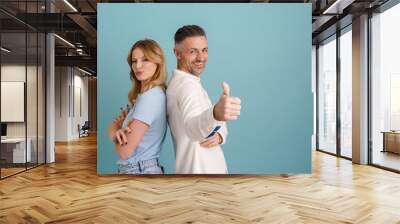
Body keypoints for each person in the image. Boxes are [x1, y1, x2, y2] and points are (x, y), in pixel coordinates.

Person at [167, 25, 242, 174]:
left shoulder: (188, 83)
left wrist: (220, 134)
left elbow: (207, 125)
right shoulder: (187, 86)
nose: (201, 57)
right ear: (177, 53)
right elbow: (193, 128)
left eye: (204, 50)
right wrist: (215, 114)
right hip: (201, 179)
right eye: (193, 51)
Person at [108, 39, 167, 174]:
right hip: (141, 170)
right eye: (134, 61)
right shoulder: (147, 96)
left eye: (145, 59)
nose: (138, 66)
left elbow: (124, 151)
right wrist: (117, 128)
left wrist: (113, 132)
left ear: (157, 62)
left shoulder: (150, 98)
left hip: (139, 171)